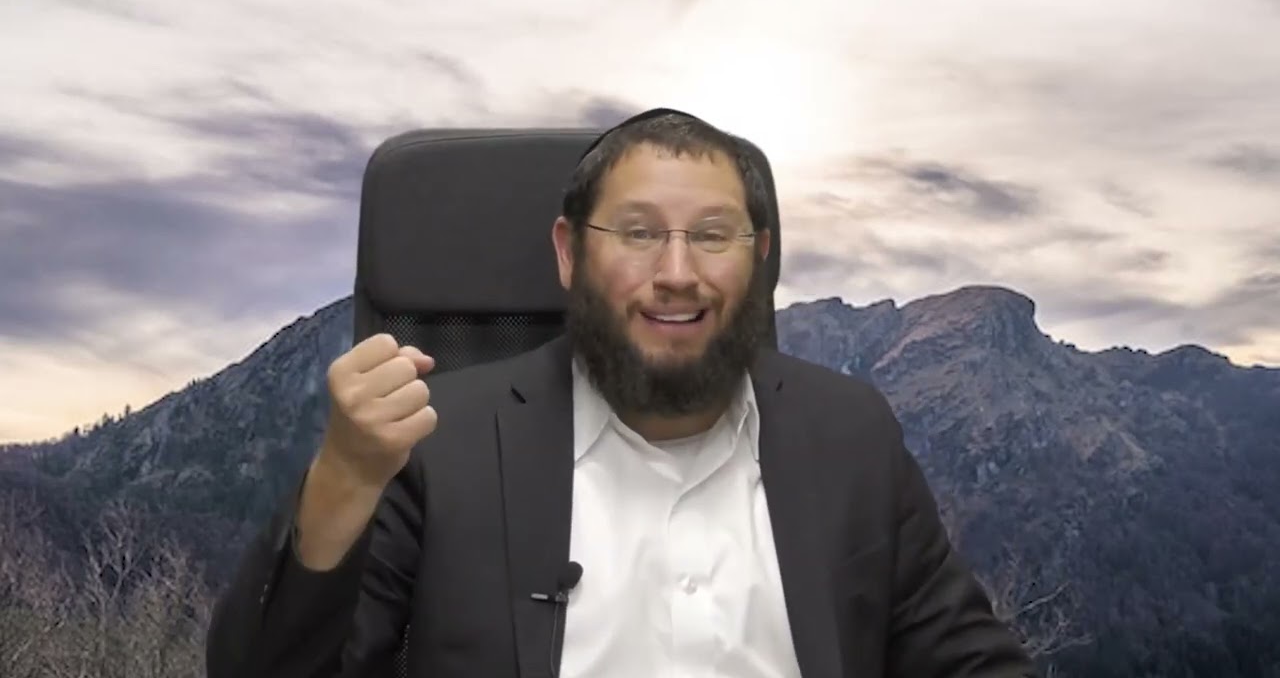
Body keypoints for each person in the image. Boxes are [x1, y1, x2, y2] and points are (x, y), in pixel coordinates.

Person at [206, 108, 1037, 677]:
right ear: (570, 254)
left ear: (760, 259)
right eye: (637, 234)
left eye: (712, 235)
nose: (677, 273)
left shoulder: (849, 433)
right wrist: (344, 478)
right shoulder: (436, 443)